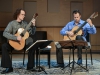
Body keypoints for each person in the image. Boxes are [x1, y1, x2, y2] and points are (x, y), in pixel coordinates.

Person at [1, 8, 38, 74]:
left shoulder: (25, 24)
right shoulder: (12, 23)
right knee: (4, 46)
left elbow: (32, 33)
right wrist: (15, 37)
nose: (24, 16)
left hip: (23, 43)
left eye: (24, 15)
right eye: (22, 14)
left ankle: (30, 67)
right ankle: (8, 67)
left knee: (32, 45)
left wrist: (34, 25)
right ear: (18, 15)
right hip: (13, 43)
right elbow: (5, 33)